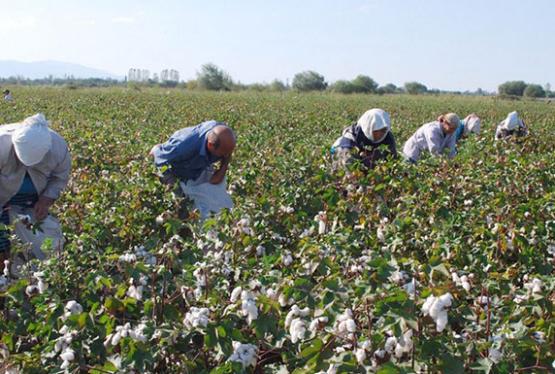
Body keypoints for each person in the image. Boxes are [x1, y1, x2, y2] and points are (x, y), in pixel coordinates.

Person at [0, 113, 71, 265]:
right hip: (2, 197)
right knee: (3, 242)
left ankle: (32, 271)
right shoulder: (1, 143)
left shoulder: (58, 148)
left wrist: (46, 200)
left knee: (45, 239)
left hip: (32, 201)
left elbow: (59, 178)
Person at [150, 120, 236, 220]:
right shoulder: (183, 146)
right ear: (210, 145)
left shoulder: (226, 137)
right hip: (175, 165)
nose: (225, 155)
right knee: (180, 205)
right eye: (223, 153)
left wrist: (222, 170)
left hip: (197, 166)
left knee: (213, 201)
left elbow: (226, 156)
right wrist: (170, 182)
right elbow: (158, 157)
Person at [331, 108, 397, 170]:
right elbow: (347, 163)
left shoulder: (388, 137)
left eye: (383, 131)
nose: (381, 134)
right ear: (369, 127)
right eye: (377, 130)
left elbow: (393, 159)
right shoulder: (350, 139)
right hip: (350, 160)